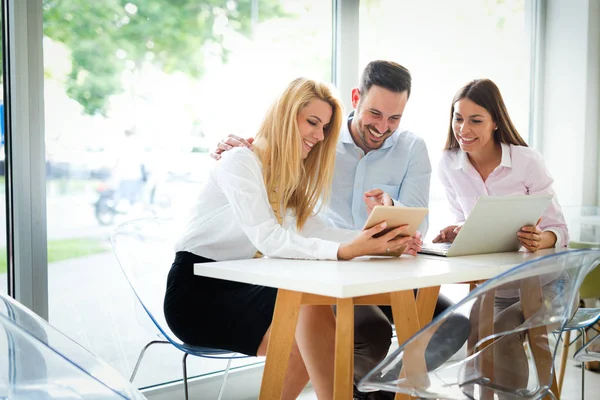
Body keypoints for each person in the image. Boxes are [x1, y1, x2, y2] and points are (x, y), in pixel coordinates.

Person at [211, 61, 471, 400]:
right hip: (331, 266)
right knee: (372, 331)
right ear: (355, 98)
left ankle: (374, 390)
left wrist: (388, 212)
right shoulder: (319, 141)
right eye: (375, 114)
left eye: (394, 118)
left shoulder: (411, 148)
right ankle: (358, 390)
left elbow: (418, 225)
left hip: (383, 265)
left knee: (453, 324)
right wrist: (241, 149)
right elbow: (276, 155)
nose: (382, 127)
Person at [163, 77, 415, 400]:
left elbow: (319, 231)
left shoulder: (286, 180)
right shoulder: (239, 162)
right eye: (312, 122)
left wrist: (382, 238)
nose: (319, 135)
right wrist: (348, 250)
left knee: (307, 307)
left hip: (244, 285)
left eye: (324, 127)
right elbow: (269, 238)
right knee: (305, 305)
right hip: (196, 295)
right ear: (286, 116)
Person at [433, 78, 570, 393]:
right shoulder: (448, 164)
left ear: (495, 122)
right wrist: (458, 231)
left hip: (545, 284)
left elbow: (560, 230)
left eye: (475, 120)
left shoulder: (525, 160)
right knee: (477, 336)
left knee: (504, 331)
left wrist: (541, 239)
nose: (463, 128)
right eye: (458, 118)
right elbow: (467, 222)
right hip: (496, 288)